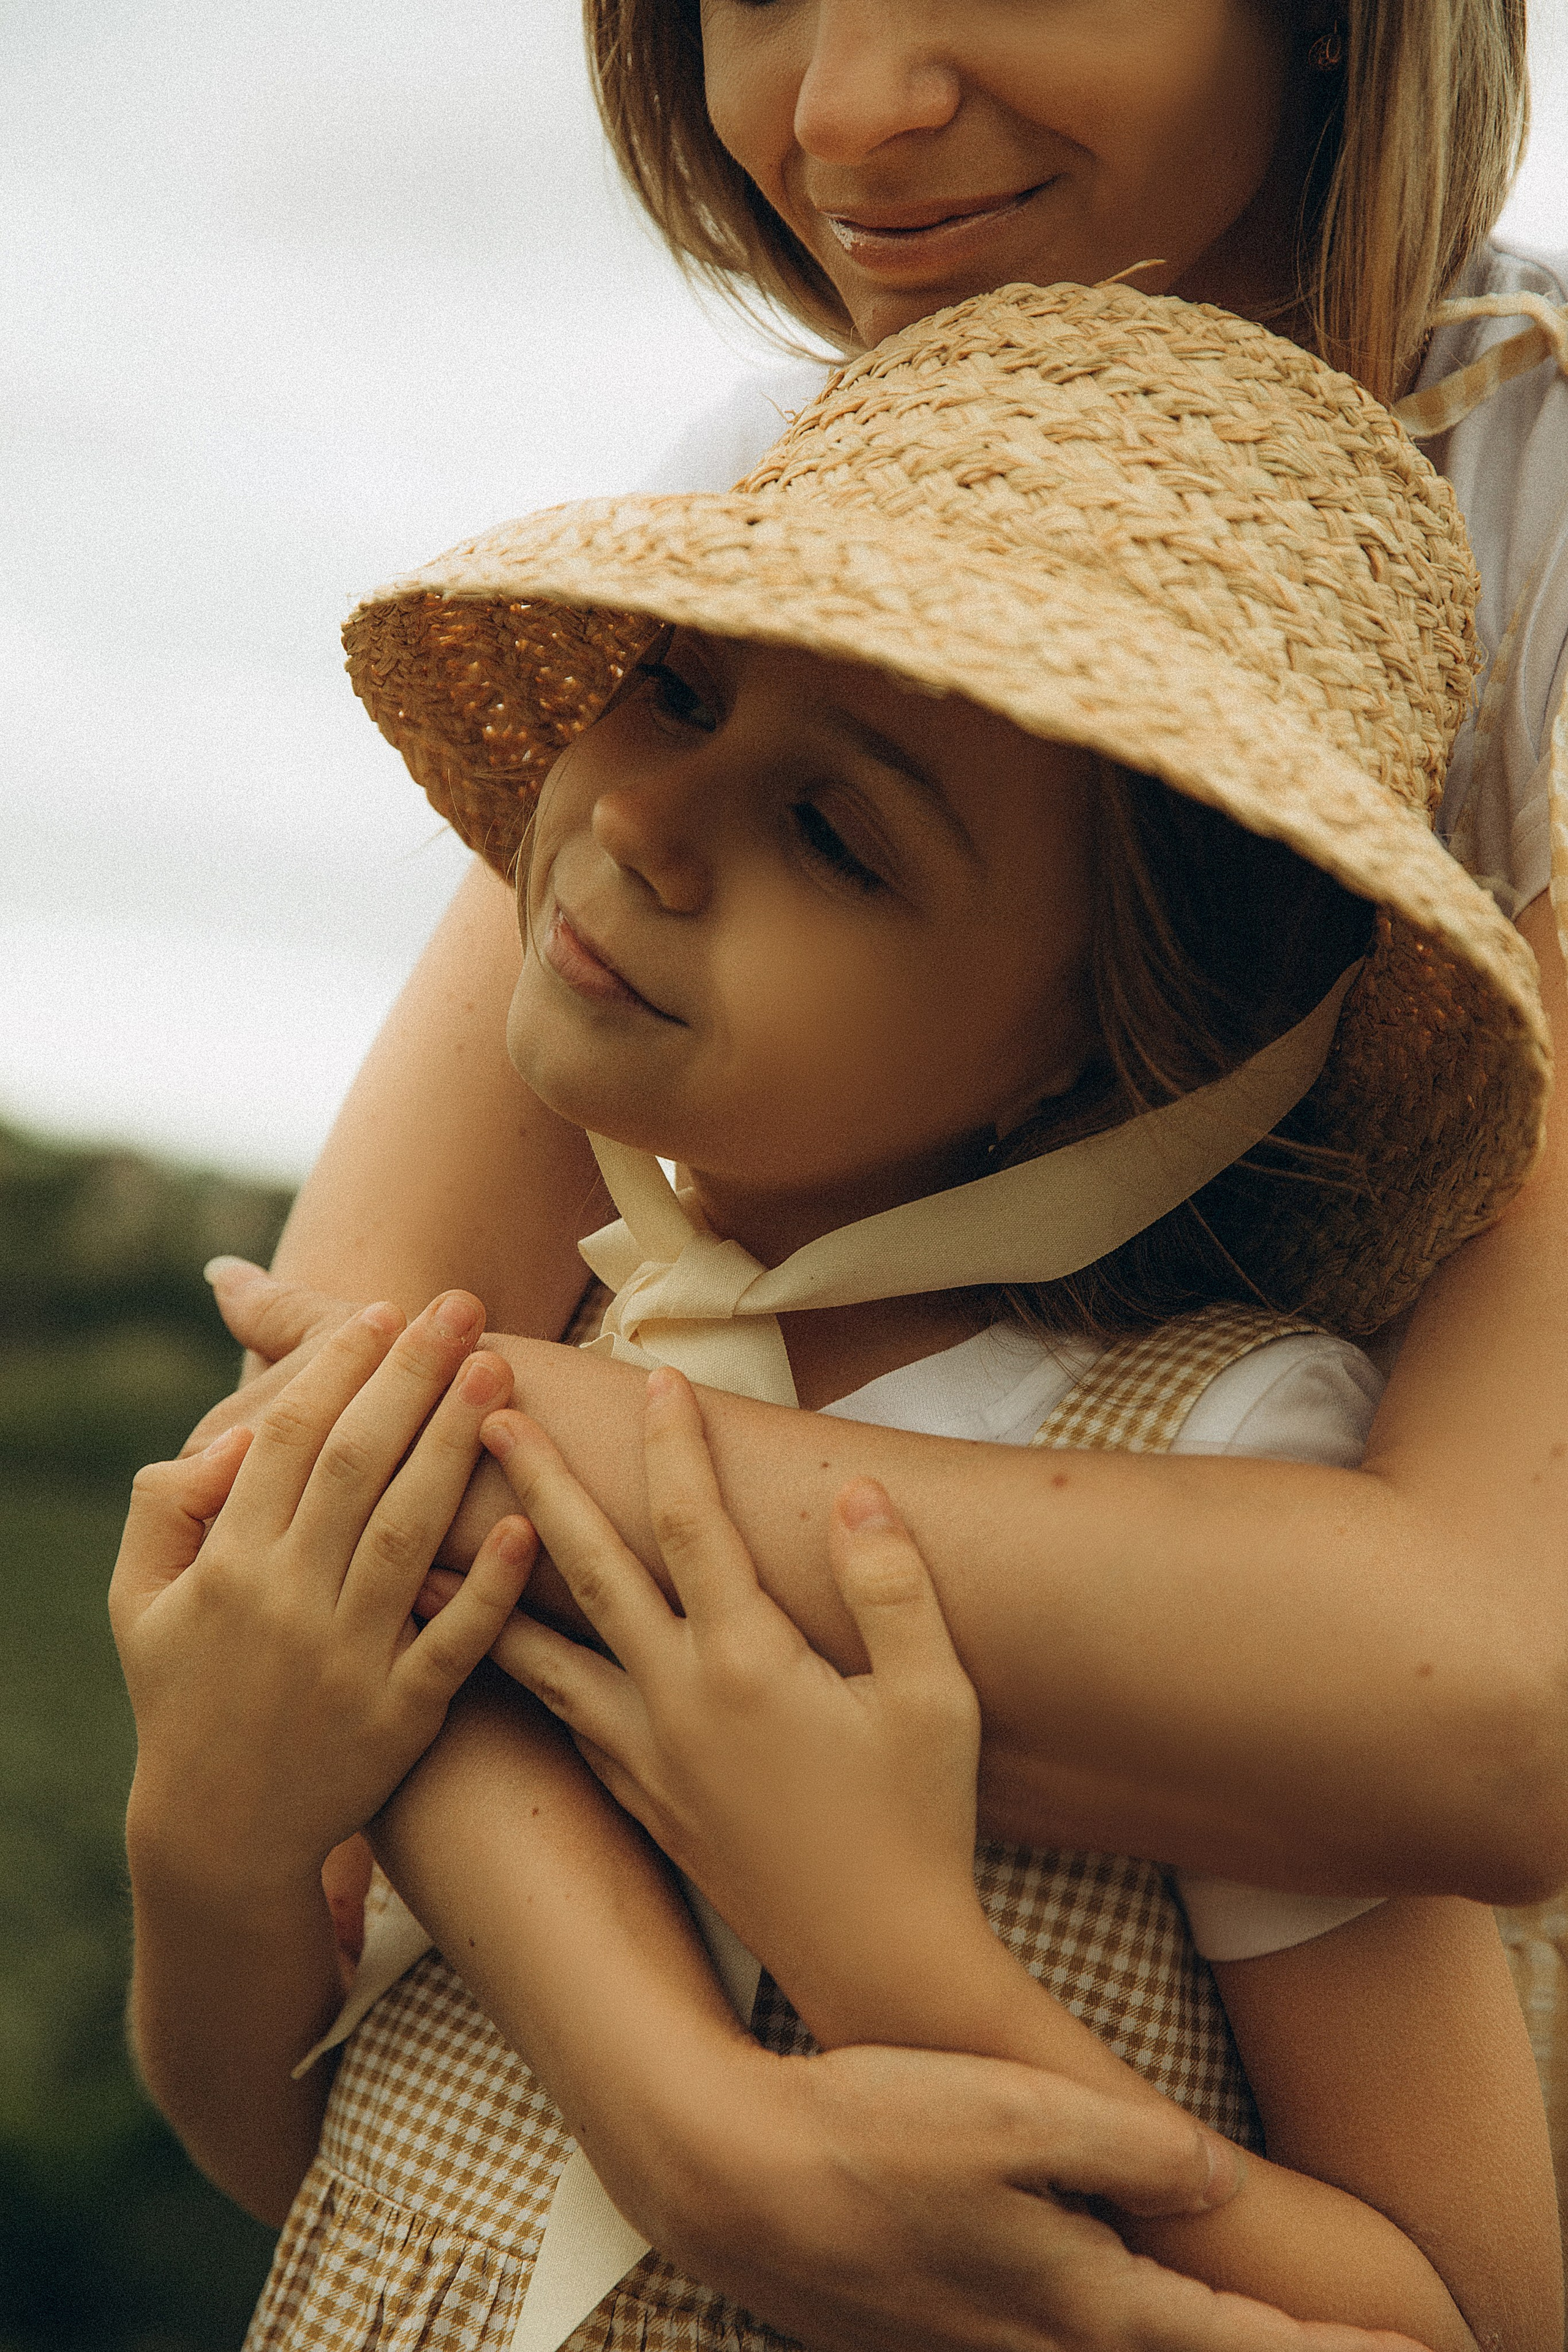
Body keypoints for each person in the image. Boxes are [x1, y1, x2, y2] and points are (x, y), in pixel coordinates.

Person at [177, 4, 1568, 2343]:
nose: (838, 120)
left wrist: (514, 1432)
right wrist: (690, 2115)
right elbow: (294, 1527)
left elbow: (1483, 1698)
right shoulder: (810, 462)